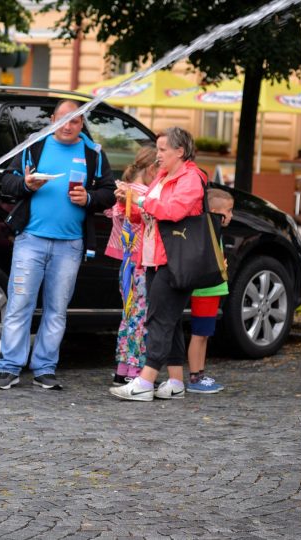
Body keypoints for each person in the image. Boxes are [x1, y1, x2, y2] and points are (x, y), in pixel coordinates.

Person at [0, 99, 115, 390]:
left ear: (81, 124)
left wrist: (91, 199)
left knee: (57, 309)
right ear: (52, 119)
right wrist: (26, 185)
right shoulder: (35, 146)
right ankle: (9, 367)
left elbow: (109, 192)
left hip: (70, 244)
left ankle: (45, 368)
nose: (68, 126)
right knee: (20, 303)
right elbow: (6, 182)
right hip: (30, 240)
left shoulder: (93, 154)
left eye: (74, 121)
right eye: (63, 119)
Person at [110, 127, 205, 402]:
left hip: (176, 259)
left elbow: (173, 211)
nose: (158, 155)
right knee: (171, 320)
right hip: (153, 257)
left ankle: (145, 380)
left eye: (163, 150)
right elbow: (146, 215)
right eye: (158, 148)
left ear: (180, 151)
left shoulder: (191, 179)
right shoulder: (163, 177)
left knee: (158, 319)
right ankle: (175, 381)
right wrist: (129, 203)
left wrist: (140, 198)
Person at [106, 145, 156, 386]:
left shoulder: (122, 190)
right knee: (142, 318)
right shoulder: (144, 195)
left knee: (129, 316)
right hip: (142, 265)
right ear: (151, 169)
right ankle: (135, 371)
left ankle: (122, 367)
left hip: (125, 265)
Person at [187, 189, 234, 394]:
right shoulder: (209, 231)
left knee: (204, 334)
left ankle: (200, 373)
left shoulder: (213, 231)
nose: (231, 216)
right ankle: (195, 377)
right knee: (199, 334)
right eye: (229, 211)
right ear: (216, 212)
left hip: (212, 289)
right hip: (206, 290)